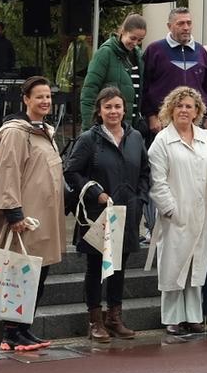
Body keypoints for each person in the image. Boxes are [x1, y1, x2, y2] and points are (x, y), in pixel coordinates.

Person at [0, 76, 65, 351]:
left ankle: (24, 329)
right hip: (26, 219)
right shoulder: (16, 132)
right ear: (26, 99)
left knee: (38, 272)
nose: (45, 101)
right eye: (39, 96)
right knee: (20, 273)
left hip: (44, 217)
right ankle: (11, 332)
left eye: (48, 97)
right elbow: (8, 172)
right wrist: (14, 213)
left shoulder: (45, 131)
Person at [64, 86, 149, 342]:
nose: (113, 111)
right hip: (96, 214)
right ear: (99, 111)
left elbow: (145, 171)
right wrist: (96, 193)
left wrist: (140, 198)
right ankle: (95, 321)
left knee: (119, 267)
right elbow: (72, 171)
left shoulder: (135, 137)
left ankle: (114, 317)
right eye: (108, 107)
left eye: (117, 107)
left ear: (124, 110)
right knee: (95, 267)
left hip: (127, 212)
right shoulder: (90, 139)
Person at [148, 87, 207, 334]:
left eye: (189, 106)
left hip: (203, 215)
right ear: (170, 109)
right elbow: (157, 180)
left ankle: (194, 316)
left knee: (196, 267)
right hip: (176, 215)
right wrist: (170, 210)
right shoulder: (162, 140)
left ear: (197, 111)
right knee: (173, 266)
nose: (184, 110)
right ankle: (172, 318)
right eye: (179, 106)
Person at [141, 7, 207, 135]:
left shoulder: (201, 52)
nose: (186, 27)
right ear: (169, 26)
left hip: (195, 125)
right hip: (162, 125)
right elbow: (144, 87)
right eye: (180, 23)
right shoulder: (155, 50)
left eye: (189, 23)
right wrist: (151, 116)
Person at [81, 13, 146, 132]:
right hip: (106, 127)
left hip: (129, 129)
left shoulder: (139, 56)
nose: (135, 43)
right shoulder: (105, 53)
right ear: (123, 31)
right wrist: (90, 129)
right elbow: (88, 93)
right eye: (132, 38)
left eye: (140, 40)